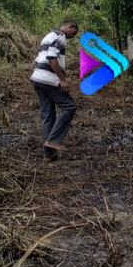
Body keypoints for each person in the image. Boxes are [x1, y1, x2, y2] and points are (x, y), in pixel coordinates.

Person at [30, 20, 79, 161]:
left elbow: (37, 60)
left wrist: (39, 74)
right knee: (70, 106)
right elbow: (52, 58)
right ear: (69, 26)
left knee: (48, 115)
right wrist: (62, 79)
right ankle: (53, 140)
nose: (72, 37)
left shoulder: (48, 36)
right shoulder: (60, 36)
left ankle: (49, 154)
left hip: (37, 78)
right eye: (73, 33)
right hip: (48, 79)